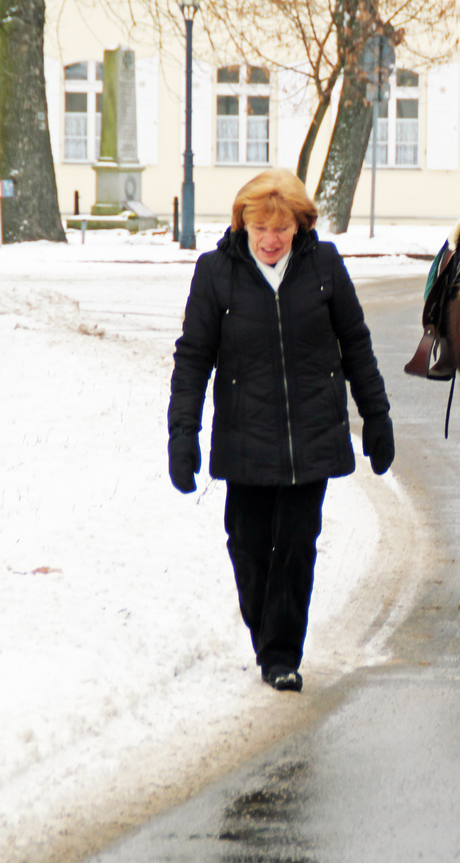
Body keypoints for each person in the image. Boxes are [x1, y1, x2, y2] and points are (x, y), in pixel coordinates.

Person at [168, 169, 394, 692]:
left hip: (310, 437)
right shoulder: (216, 273)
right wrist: (183, 433)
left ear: (301, 225)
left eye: (283, 229)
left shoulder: (324, 268)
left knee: (295, 545)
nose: (272, 241)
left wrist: (377, 416)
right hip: (244, 438)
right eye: (260, 229)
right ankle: (268, 633)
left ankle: (281, 654)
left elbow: (356, 345)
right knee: (246, 545)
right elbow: (193, 359)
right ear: (243, 224)